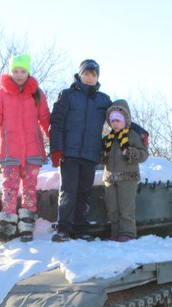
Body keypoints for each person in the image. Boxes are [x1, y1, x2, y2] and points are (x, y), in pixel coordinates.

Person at [0, 54, 51, 243]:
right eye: (15, 71)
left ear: (28, 72)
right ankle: (6, 228)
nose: (19, 75)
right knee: (10, 188)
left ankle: (27, 227)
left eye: (22, 71)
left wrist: (54, 141)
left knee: (29, 189)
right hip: (10, 151)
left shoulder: (36, 93)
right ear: (10, 72)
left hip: (32, 151)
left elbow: (45, 119)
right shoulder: (2, 94)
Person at [48, 59, 112, 242]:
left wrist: (138, 131)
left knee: (84, 192)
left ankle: (80, 228)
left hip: (91, 153)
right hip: (70, 152)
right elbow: (56, 122)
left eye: (94, 74)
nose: (90, 78)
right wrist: (56, 149)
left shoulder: (103, 100)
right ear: (80, 74)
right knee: (68, 190)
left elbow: (119, 116)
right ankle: (63, 229)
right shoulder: (67, 95)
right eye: (87, 73)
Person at [100, 99, 149, 242]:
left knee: (126, 208)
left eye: (118, 120)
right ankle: (115, 234)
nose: (115, 123)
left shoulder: (132, 135)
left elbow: (144, 154)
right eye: (112, 120)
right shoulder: (107, 139)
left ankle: (127, 233)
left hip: (128, 178)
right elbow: (101, 156)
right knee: (113, 209)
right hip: (110, 178)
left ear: (125, 120)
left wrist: (130, 152)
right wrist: (102, 156)